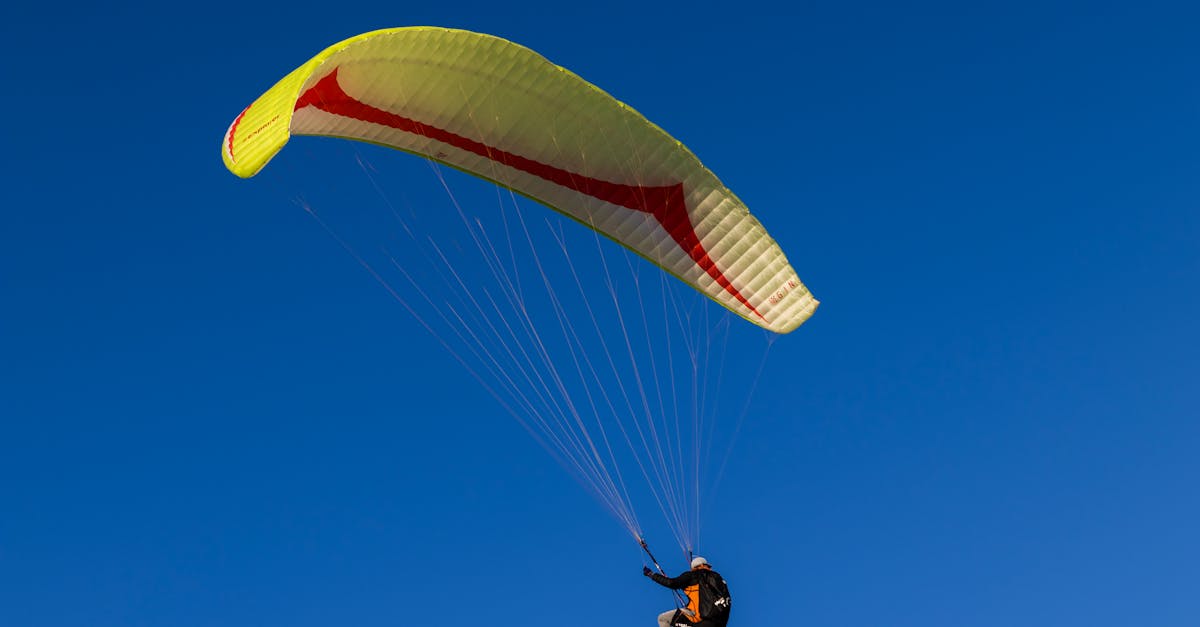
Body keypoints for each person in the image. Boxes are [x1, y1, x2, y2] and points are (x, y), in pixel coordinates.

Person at [643, 556, 732, 627]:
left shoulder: (692, 576)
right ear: (701, 565)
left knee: (663, 619)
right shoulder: (718, 578)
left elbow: (671, 583)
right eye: (708, 566)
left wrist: (652, 575)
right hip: (720, 622)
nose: (709, 568)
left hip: (700, 619)